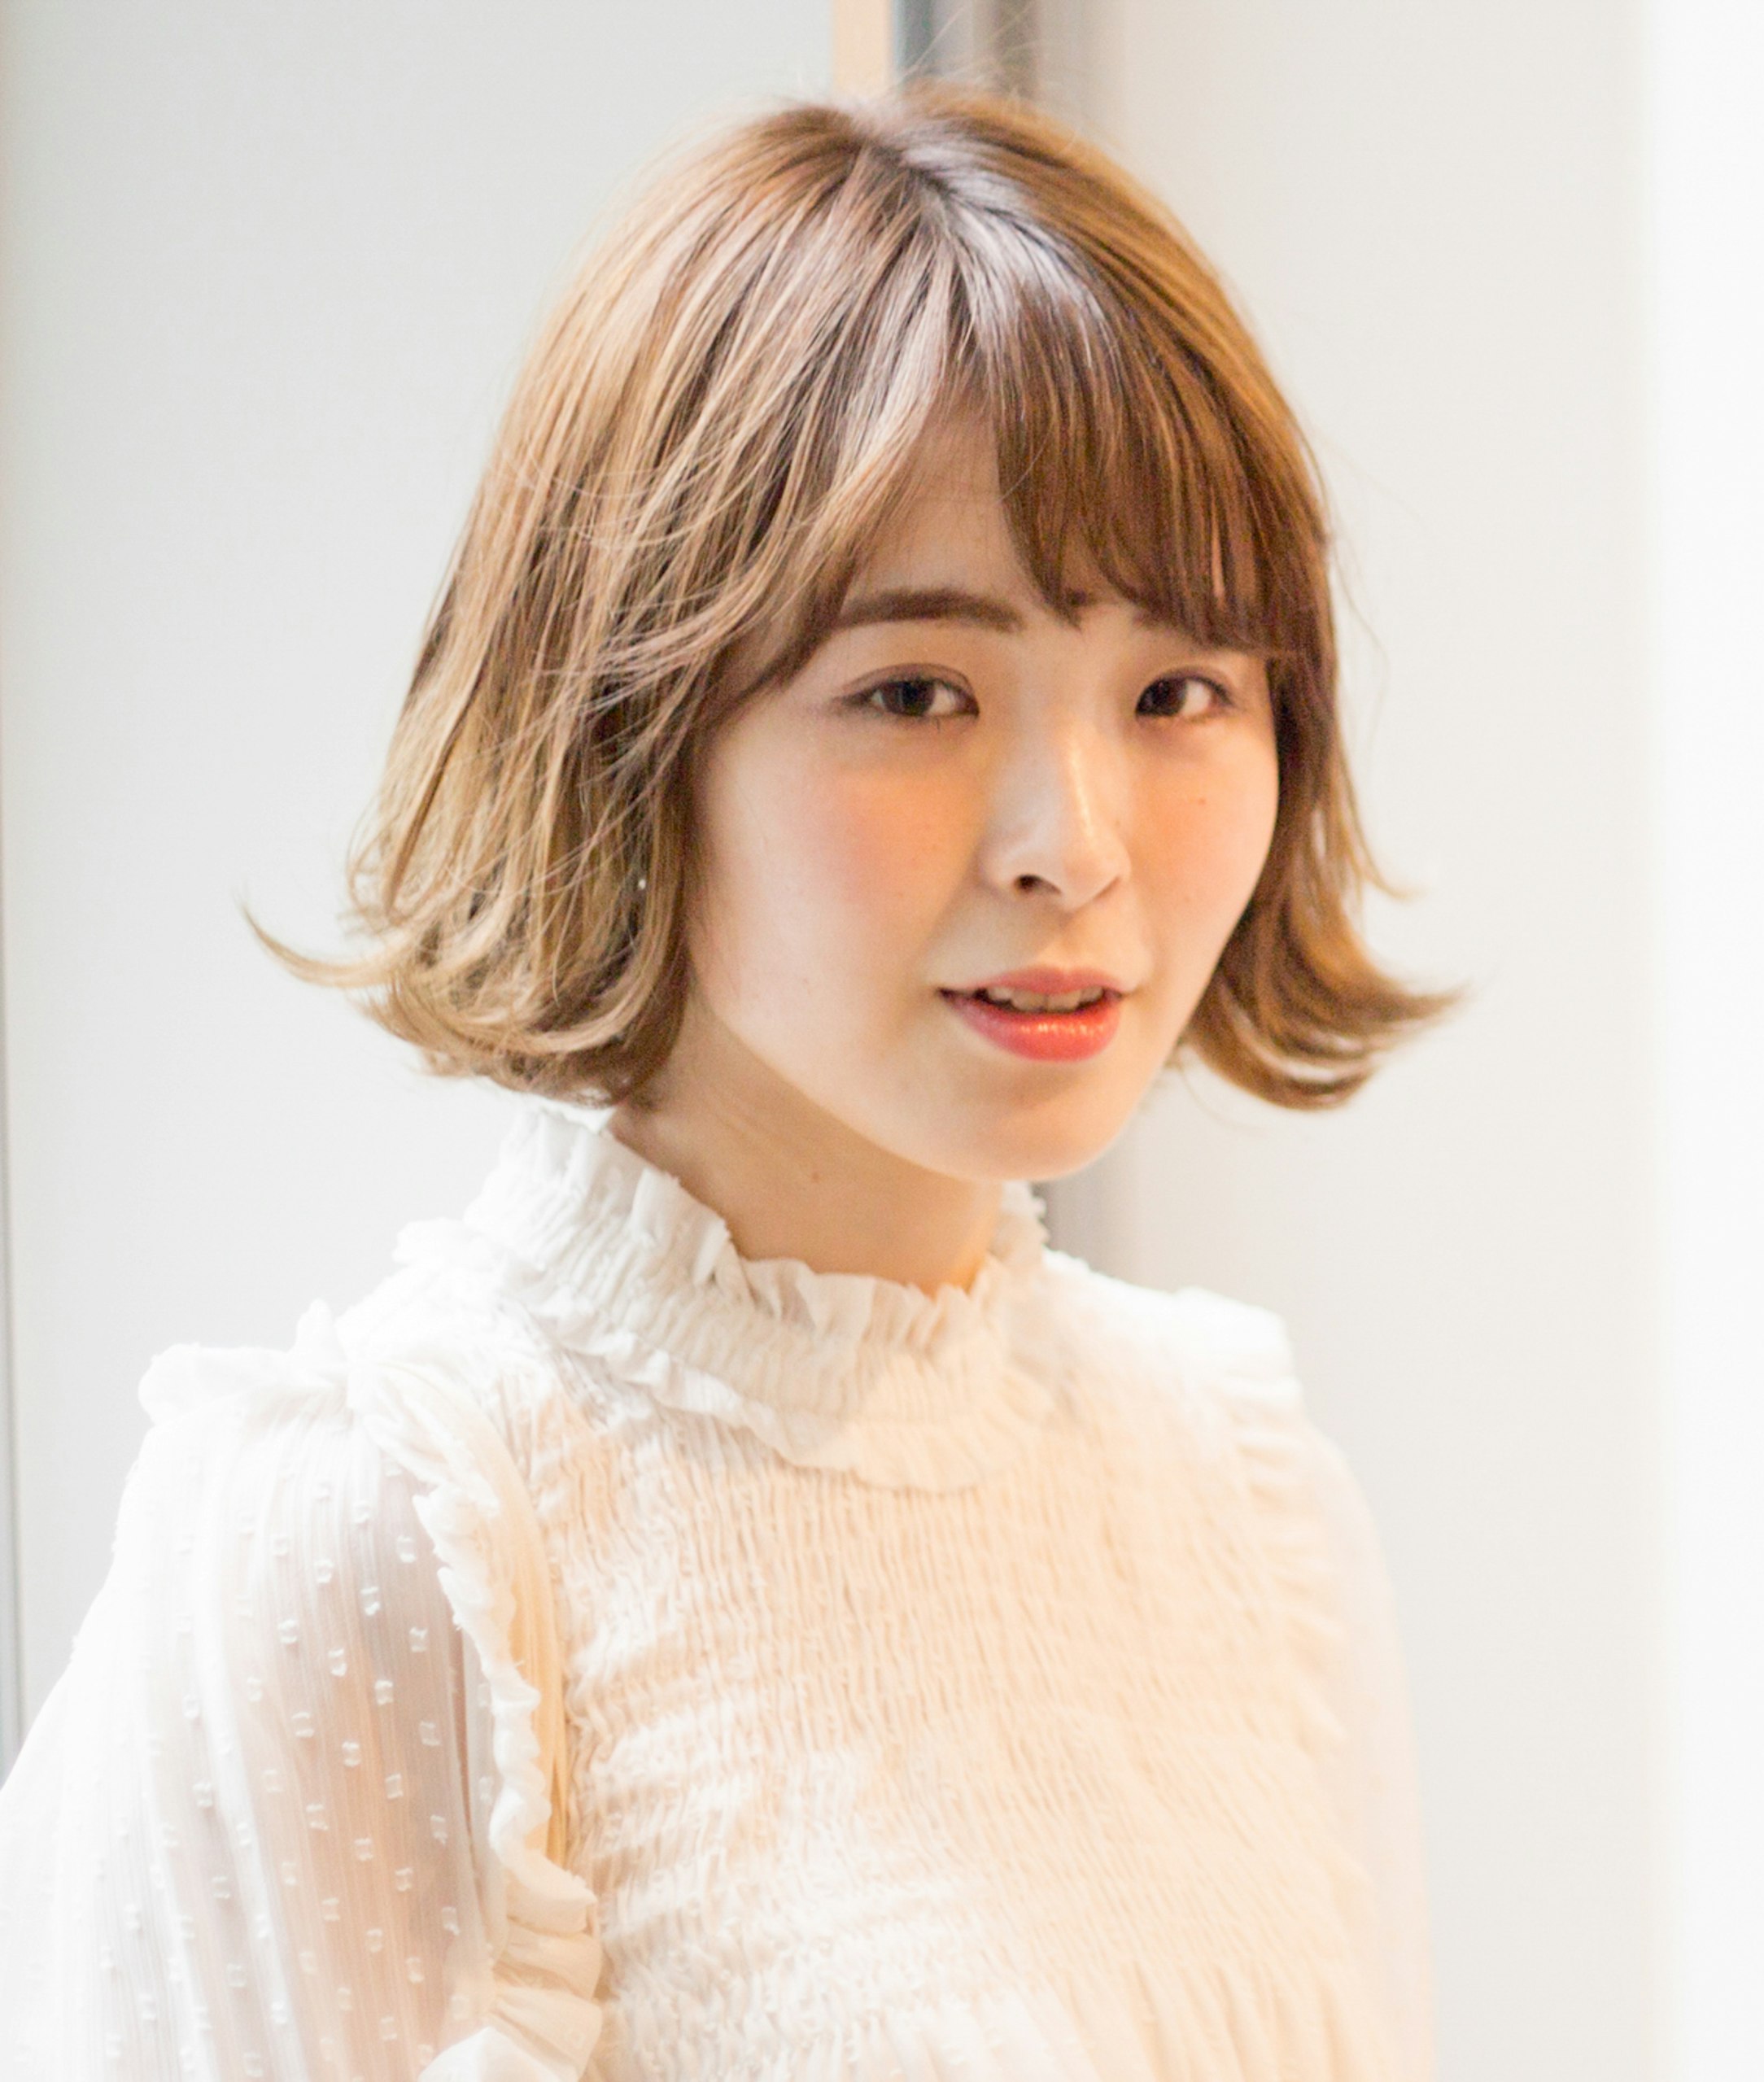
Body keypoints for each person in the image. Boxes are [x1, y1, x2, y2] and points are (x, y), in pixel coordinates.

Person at [0, 85, 1447, 2081]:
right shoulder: (380, 1534)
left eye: (1178, 690)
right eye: (916, 691)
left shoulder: (1242, 1490)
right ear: (626, 728)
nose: (1075, 837)